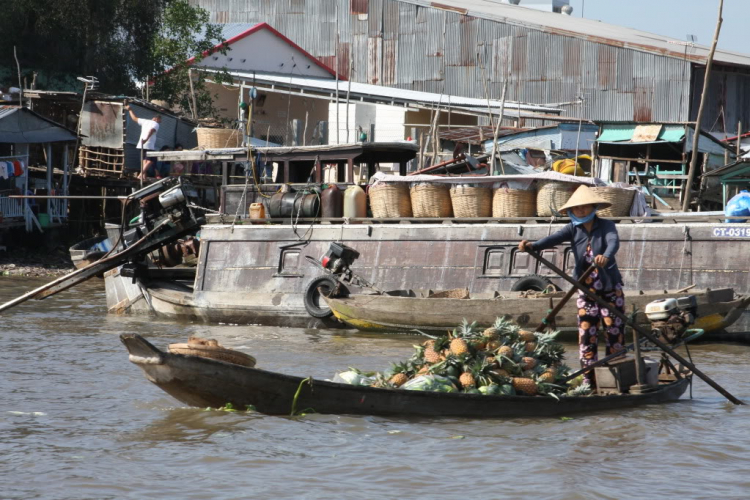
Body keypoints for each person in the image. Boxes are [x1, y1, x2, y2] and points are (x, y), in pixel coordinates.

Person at [518, 185, 626, 386]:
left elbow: (613, 242)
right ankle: (589, 380)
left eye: (585, 207)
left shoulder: (606, 226)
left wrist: (606, 256)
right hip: (586, 291)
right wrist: (532, 246)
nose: (581, 211)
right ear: (572, 211)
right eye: (577, 208)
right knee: (586, 335)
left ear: (593, 207)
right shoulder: (572, 228)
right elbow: (552, 239)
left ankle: (617, 378)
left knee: (614, 334)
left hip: (610, 290)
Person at [125, 103, 162, 180]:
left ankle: (143, 177)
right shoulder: (156, 124)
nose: (160, 122)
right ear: (156, 119)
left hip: (140, 144)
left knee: (144, 161)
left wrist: (130, 110)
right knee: (151, 161)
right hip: (148, 145)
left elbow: (134, 118)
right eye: (160, 120)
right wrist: (146, 139)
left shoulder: (145, 121)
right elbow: (151, 131)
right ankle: (140, 175)